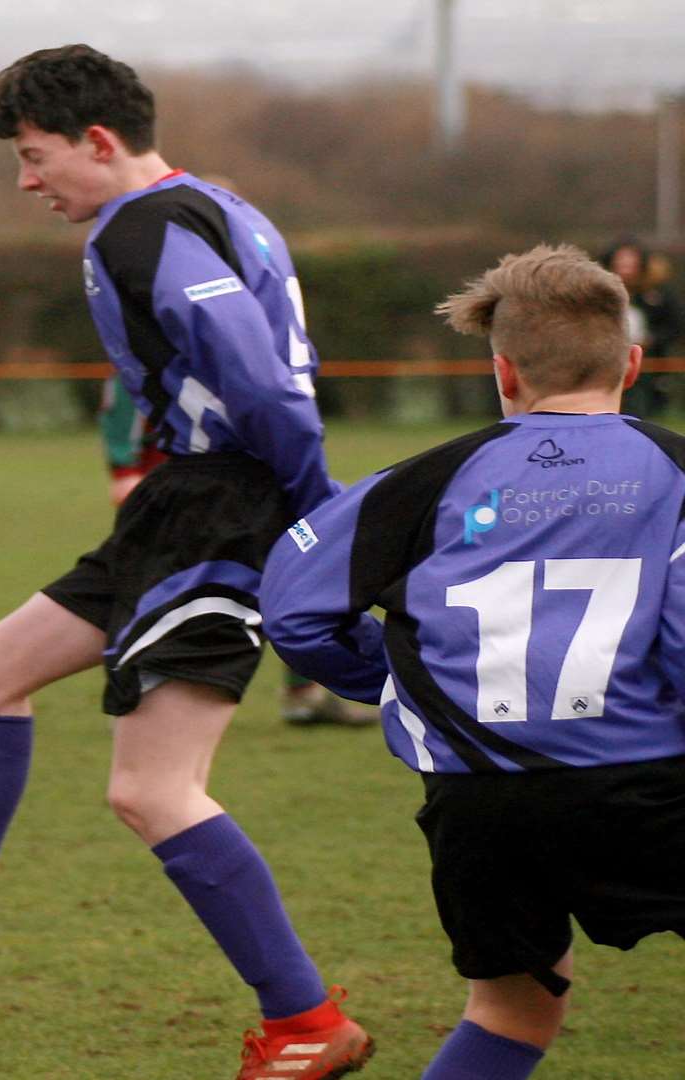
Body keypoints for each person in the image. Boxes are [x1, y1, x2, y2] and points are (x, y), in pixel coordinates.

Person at [0, 45, 373, 1079]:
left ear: (98, 141)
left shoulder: (145, 227)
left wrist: (316, 512)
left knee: (155, 791)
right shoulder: (219, 206)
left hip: (223, 508)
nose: (26, 182)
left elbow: (261, 379)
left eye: (33, 155)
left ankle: (307, 1021)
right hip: (184, 502)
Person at [260, 243, 685, 1079]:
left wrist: (401, 676)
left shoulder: (425, 481)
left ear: (504, 372)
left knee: (515, 1008)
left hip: (481, 799)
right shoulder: (673, 470)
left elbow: (293, 605)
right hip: (643, 782)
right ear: (633, 363)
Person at [99, 372, 372, 729]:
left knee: (299, 578)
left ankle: (305, 693)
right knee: (163, 594)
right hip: (186, 491)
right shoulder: (169, 335)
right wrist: (124, 468)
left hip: (257, 484)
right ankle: (135, 694)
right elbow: (126, 389)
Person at [598, 237, 682, 418]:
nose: (626, 266)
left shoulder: (657, 295)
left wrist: (652, 340)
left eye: (630, 261)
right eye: (621, 260)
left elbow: (674, 325)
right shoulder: (598, 293)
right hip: (606, 361)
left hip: (648, 365)